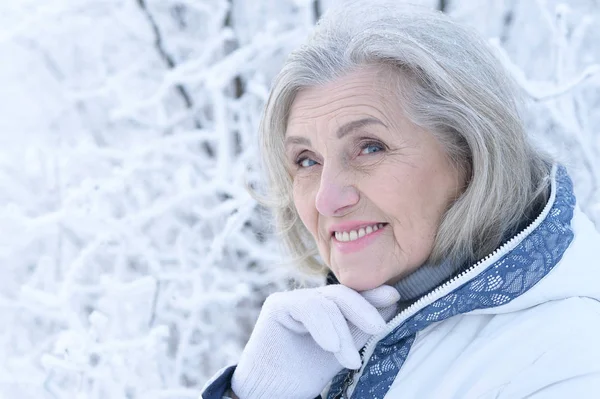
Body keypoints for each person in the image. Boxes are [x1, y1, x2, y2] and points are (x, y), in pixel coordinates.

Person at [202, 1, 600, 398]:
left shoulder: (564, 363)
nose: (326, 199)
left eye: (370, 148)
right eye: (307, 160)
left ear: (469, 156)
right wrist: (255, 392)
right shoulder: (336, 347)